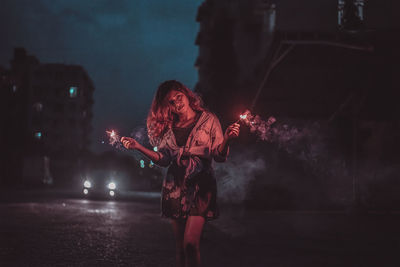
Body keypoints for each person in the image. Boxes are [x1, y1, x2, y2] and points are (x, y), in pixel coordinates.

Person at [121, 80, 240, 267]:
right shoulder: (168, 127)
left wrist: (227, 139)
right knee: (180, 248)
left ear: (186, 94)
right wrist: (138, 147)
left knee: (191, 244)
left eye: (178, 97)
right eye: (171, 102)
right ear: (166, 107)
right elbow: (164, 159)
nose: (177, 103)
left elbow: (218, 155)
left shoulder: (209, 119)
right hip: (175, 186)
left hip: (201, 185)